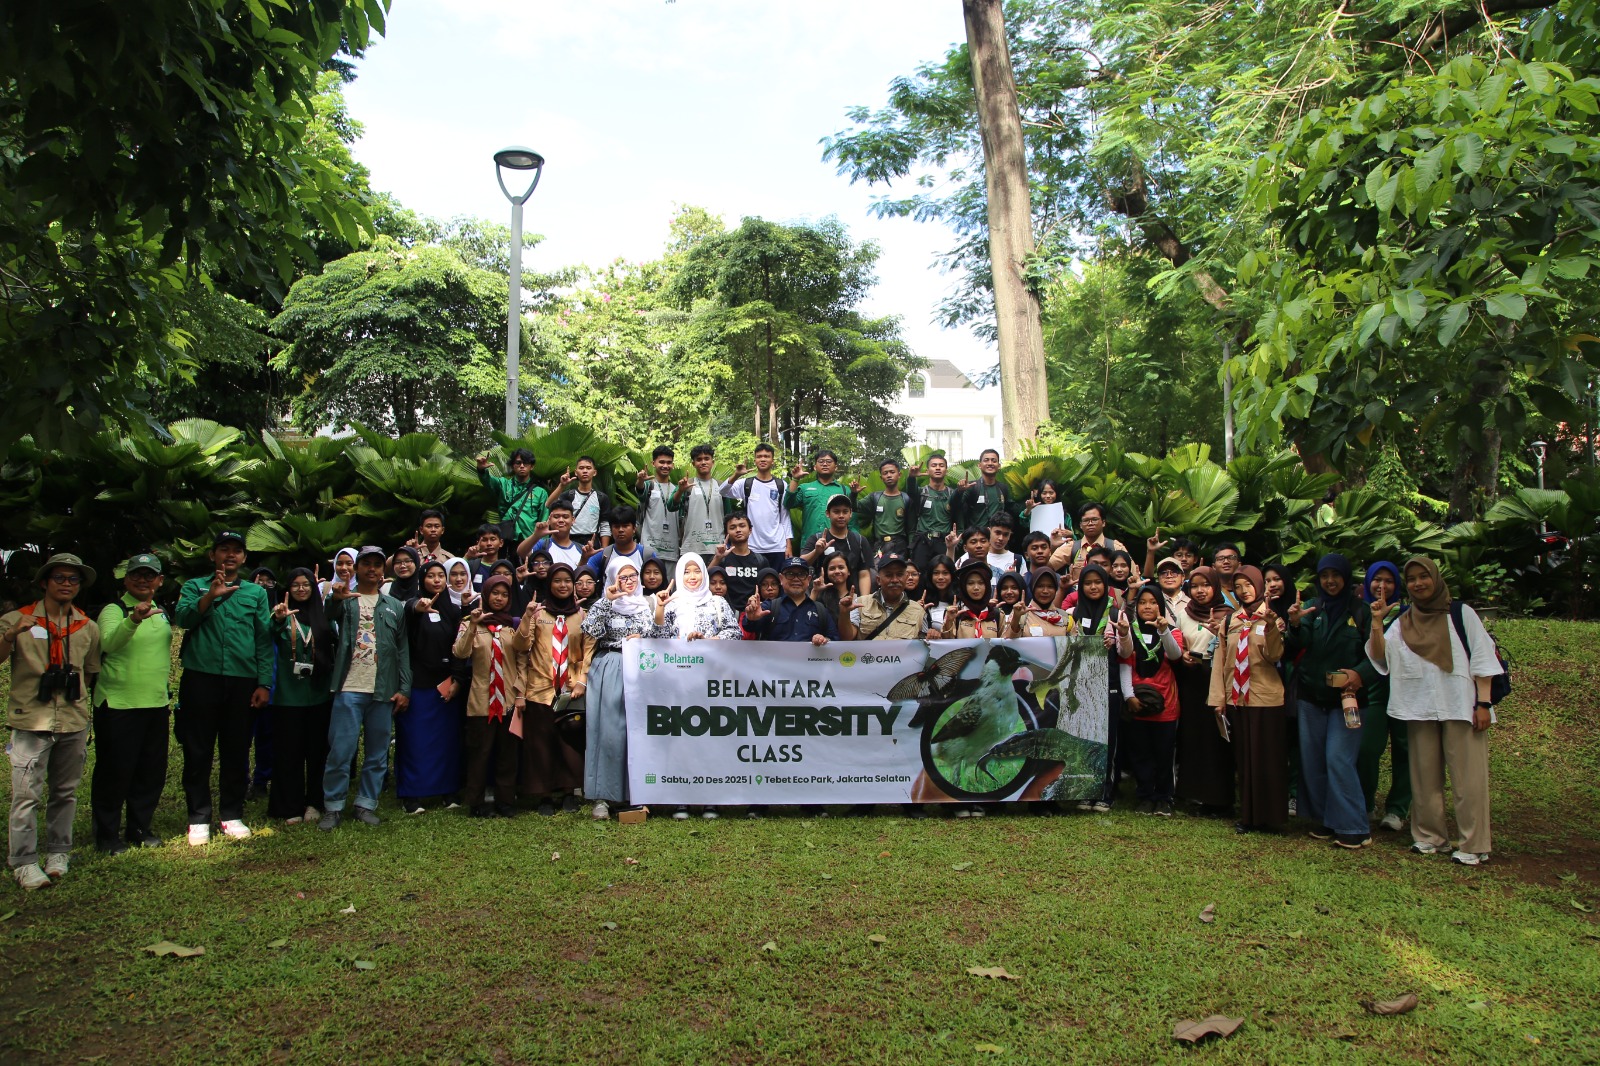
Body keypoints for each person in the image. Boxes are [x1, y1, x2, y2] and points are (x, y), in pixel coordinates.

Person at [1365, 557, 1502, 866]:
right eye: (1412, 579)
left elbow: (1483, 658)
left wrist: (1483, 703)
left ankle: (1474, 843)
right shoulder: (1403, 621)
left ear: (1436, 579)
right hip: (1419, 707)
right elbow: (1380, 657)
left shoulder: (1461, 614)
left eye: (1423, 577)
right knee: (1424, 777)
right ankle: (1430, 836)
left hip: (1461, 706)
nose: (1418, 583)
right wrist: (1377, 622)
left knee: (1469, 780)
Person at [3, 553, 102, 889]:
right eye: (59, 577)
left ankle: (59, 852)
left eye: (73, 579)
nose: (66, 584)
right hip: (31, 719)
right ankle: (24, 861)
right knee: (26, 795)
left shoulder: (87, 627)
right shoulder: (18, 619)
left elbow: (90, 672)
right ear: (45, 582)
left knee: (65, 792)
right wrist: (11, 635)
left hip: (73, 719)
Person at [173, 531, 274, 845]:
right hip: (201, 677)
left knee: (236, 748)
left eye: (236, 551)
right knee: (198, 748)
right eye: (224, 549)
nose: (230, 555)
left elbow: (262, 638)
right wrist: (210, 597)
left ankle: (231, 813)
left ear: (244, 558)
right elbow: (184, 618)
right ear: (212, 555)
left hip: (242, 680)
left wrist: (264, 683)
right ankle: (198, 817)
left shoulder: (255, 593)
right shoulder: (195, 586)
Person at [1286, 554, 1376, 849]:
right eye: (1325, 576)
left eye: (1335, 575)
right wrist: (1295, 624)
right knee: (1313, 761)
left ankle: (1354, 826)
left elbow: (1377, 657)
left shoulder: (1362, 612)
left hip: (1348, 700)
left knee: (1339, 759)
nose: (1330, 581)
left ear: (1346, 577)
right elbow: (1297, 646)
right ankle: (1327, 818)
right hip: (1312, 697)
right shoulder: (1314, 607)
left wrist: (1358, 674)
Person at [319, 546, 411, 831]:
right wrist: (336, 597)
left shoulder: (393, 605)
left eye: (377, 565)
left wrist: (404, 688)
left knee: (377, 752)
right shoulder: (346, 600)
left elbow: (402, 649)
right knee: (341, 750)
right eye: (366, 564)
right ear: (356, 569)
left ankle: (366, 803)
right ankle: (333, 806)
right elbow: (328, 615)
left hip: (383, 690)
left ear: (383, 571)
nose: (372, 569)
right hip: (349, 686)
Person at [91, 554, 171, 854]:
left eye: (149, 575)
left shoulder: (161, 612)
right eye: (136, 574)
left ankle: (139, 828)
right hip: (118, 704)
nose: (142, 580)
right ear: (125, 579)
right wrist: (133, 620)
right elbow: (108, 643)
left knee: (150, 772)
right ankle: (107, 835)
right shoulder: (114, 610)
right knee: (115, 772)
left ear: (159, 581)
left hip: (155, 703)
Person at [1208, 565, 1287, 834]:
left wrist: (1271, 627)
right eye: (1239, 586)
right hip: (1237, 698)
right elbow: (1221, 661)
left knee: (1268, 759)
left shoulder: (1272, 618)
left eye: (1249, 585)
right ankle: (1249, 816)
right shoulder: (1231, 621)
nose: (1244, 591)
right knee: (1245, 759)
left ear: (1259, 585)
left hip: (1265, 698)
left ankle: (1272, 817)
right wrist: (1219, 699)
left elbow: (1274, 656)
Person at [511, 563, 590, 816]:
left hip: (570, 689)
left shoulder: (582, 615)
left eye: (567, 580)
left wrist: (582, 680)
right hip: (540, 688)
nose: (563, 585)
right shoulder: (538, 613)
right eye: (557, 581)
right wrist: (526, 617)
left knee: (569, 744)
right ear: (549, 584)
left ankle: (568, 792)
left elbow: (588, 650)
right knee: (540, 744)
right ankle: (544, 795)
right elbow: (520, 647)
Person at [581, 559, 657, 820]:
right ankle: (602, 796)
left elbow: (660, 634)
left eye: (633, 575)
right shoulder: (606, 604)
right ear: (613, 578)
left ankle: (635, 794)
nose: (629, 581)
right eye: (622, 577)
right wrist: (607, 600)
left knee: (637, 733)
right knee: (608, 732)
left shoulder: (645, 605)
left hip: (642, 669)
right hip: (612, 665)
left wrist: (644, 639)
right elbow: (590, 630)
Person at [266, 568, 337, 825]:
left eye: (306, 584)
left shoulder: (323, 617)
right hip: (288, 696)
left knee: (317, 752)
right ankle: (290, 805)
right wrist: (277, 619)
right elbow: (267, 634)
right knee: (288, 752)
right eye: (295, 585)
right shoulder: (282, 616)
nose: (301, 589)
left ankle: (315, 802)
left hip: (319, 695)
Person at [396, 561, 468, 814]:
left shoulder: (452, 610)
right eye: (431, 576)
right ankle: (412, 795)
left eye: (441, 576)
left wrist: (457, 680)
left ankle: (448, 792)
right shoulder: (413, 606)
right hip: (418, 685)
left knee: (446, 742)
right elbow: (409, 613)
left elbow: (459, 647)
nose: (437, 580)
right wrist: (418, 608)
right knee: (416, 741)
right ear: (422, 579)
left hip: (445, 685)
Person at [453, 575, 524, 818]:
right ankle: (476, 802)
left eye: (504, 595)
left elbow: (521, 659)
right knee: (479, 753)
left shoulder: (513, 625)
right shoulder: (469, 623)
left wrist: (520, 693)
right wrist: (473, 625)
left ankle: (506, 801)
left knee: (508, 754)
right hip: (481, 699)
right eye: (495, 593)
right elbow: (460, 653)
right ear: (485, 595)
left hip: (508, 699)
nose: (499, 598)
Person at [1115, 583, 1185, 816]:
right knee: (1140, 753)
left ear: (1161, 606)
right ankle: (1145, 796)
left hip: (1166, 704)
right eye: (1143, 602)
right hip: (1138, 703)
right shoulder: (1130, 630)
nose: (1147, 607)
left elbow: (1175, 655)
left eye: (1153, 602)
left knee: (1164, 753)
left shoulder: (1172, 630)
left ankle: (1164, 797)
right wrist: (1129, 697)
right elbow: (1125, 660)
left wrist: (1163, 631)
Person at [1173, 566, 1233, 815]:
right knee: (1192, 737)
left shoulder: (1228, 614)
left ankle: (1218, 799)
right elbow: (1177, 642)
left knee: (1215, 740)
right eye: (1195, 586)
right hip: (1190, 680)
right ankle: (1193, 794)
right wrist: (1183, 654)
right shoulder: (1183, 614)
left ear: (1215, 587)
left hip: (1216, 679)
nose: (1200, 591)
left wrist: (1220, 632)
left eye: (1206, 585)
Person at [1358, 561, 1410, 831]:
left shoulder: (1408, 613)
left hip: (1405, 689)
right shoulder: (1360, 611)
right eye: (1377, 579)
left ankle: (1397, 809)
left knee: (1405, 749)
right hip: (1374, 690)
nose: (1382, 586)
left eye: (1389, 581)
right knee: (1367, 748)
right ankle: (1366, 803)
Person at [1069, 564, 1123, 812]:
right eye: (1088, 583)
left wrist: (1121, 637)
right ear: (1081, 587)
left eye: (1098, 582)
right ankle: (1085, 790)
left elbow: (1126, 652)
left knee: (1108, 739)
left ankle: (1105, 793)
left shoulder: (1116, 614)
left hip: (1109, 683)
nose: (1093, 587)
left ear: (1105, 584)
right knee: (1085, 737)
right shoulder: (1073, 614)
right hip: (1081, 685)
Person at [722, 443, 792, 569]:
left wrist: (788, 545)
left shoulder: (781, 485)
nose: (763, 459)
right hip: (752, 546)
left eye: (766, 456)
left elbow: (785, 517)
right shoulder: (746, 484)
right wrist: (736, 474)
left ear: (772, 461)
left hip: (777, 546)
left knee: (775, 580)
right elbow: (723, 491)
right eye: (759, 456)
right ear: (755, 460)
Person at [743, 559, 839, 645]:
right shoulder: (770, 607)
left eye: (801, 574)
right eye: (790, 574)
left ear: (808, 579)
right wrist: (751, 619)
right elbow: (749, 628)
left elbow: (835, 639)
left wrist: (824, 639)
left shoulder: (820, 610)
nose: (796, 579)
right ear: (781, 579)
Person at [837, 551, 927, 640]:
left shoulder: (918, 611)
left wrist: (932, 636)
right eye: (889, 575)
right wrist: (844, 614)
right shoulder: (860, 604)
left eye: (899, 574)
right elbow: (847, 637)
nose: (895, 580)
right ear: (878, 580)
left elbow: (926, 644)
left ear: (906, 578)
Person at [800, 495, 872, 596]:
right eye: (836, 512)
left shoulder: (860, 541)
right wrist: (816, 552)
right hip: (823, 598)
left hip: (852, 597)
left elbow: (864, 574)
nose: (841, 516)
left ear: (851, 513)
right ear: (827, 513)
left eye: (845, 511)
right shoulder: (817, 539)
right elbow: (801, 564)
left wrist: (864, 601)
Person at [477, 447, 550, 546]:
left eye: (526, 463)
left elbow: (544, 520)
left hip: (530, 542)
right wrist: (481, 470)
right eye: (518, 463)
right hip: (507, 539)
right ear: (513, 466)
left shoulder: (540, 492)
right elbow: (488, 481)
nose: (522, 466)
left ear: (532, 466)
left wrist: (543, 545)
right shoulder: (503, 484)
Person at [671, 443, 726, 563]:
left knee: (716, 575)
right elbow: (671, 506)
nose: (703, 462)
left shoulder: (721, 485)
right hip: (691, 546)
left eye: (707, 458)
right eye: (699, 459)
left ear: (713, 462)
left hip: (717, 546)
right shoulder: (687, 484)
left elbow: (728, 514)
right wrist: (680, 491)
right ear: (693, 463)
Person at [904, 454, 957, 574]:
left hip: (944, 541)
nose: (938, 468)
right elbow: (911, 491)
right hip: (923, 541)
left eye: (941, 465)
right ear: (927, 471)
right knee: (920, 575)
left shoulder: (952, 495)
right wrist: (911, 477)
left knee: (943, 575)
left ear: (946, 471)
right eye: (934, 465)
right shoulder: (921, 493)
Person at [853, 458, 911, 565]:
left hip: (900, 545)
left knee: (899, 571)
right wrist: (854, 494)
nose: (889, 475)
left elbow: (912, 528)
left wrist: (911, 551)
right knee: (877, 571)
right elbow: (855, 507)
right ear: (881, 477)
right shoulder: (875, 497)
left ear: (899, 474)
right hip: (880, 545)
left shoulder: (906, 498)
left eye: (892, 472)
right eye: (885, 473)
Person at [789, 450, 851, 546]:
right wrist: (795, 479)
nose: (825, 464)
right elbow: (789, 503)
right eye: (821, 461)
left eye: (829, 461)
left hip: (837, 543)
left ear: (836, 467)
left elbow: (852, 519)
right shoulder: (805, 488)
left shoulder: (844, 490)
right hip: (810, 543)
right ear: (815, 467)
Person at [635, 445, 681, 564]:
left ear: (673, 465)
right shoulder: (649, 486)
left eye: (669, 462)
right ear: (653, 463)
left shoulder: (677, 490)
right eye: (661, 462)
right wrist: (640, 480)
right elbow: (640, 490)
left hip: (672, 549)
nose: (665, 466)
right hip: (649, 548)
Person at [554, 456, 612, 549]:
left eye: (588, 468)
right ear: (576, 472)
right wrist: (561, 485)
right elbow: (549, 505)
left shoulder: (601, 498)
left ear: (594, 472)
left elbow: (604, 525)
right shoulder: (568, 496)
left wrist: (604, 550)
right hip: (570, 541)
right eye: (581, 468)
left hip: (592, 542)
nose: (585, 471)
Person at [584, 505, 655, 580]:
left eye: (625, 526)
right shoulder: (603, 556)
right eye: (617, 526)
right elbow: (582, 579)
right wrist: (584, 558)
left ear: (634, 528)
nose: (621, 530)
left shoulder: (647, 555)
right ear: (611, 529)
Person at [937, 560, 1003, 639]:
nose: (976, 588)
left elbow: (1007, 643)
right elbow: (947, 644)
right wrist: (949, 622)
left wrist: (1015, 618)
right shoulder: (954, 613)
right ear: (963, 586)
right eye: (970, 583)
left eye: (981, 583)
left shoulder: (997, 615)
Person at [952, 448, 1014, 531]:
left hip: (997, 535)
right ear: (979, 465)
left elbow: (1011, 510)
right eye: (986, 460)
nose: (990, 463)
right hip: (977, 536)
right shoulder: (972, 487)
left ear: (999, 466)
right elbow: (954, 506)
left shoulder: (1003, 488)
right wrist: (959, 491)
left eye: (994, 461)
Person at [519, 499, 586, 571]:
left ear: (573, 520)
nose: (561, 520)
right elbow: (522, 553)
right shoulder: (542, 545)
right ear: (549, 519)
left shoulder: (583, 550)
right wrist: (536, 536)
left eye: (565, 517)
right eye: (556, 517)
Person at [711, 514, 763, 607]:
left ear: (750, 530)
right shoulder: (721, 559)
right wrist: (717, 558)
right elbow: (704, 582)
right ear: (726, 533)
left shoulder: (761, 560)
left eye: (742, 526)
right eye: (732, 527)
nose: (738, 530)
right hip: (726, 610)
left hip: (753, 610)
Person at [1007, 569, 1070, 638]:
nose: (1045, 591)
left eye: (1050, 586)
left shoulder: (1065, 617)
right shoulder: (1020, 615)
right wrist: (1016, 618)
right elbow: (1007, 641)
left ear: (1055, 589)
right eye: (1040, 586)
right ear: (1032, 588)